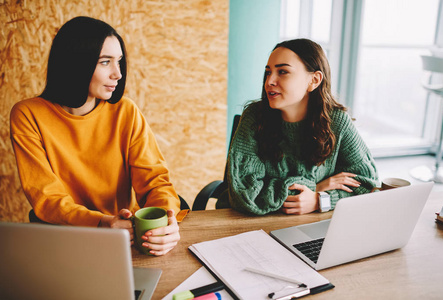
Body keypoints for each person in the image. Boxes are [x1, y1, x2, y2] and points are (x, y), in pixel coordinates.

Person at [10, 16, 180, 256]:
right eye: (105, 62)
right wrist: (101, 222)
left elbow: (155, 182)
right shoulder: (28, 114)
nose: (118, 74)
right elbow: (46, 198)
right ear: (75, 64)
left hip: (125, 240)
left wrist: (166, 221)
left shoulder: (126, 112)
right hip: (62, 243)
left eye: (119, 62)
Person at [217, 38, 378, 215]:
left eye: (283, 72)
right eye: (268, 72)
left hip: (309, 224)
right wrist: (316, 187)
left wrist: (319, 200)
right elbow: (246, 195)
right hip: (249, 224)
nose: (270, 81)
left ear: (314, 80)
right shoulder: (254, 117)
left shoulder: (337, 121)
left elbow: (368, 184)